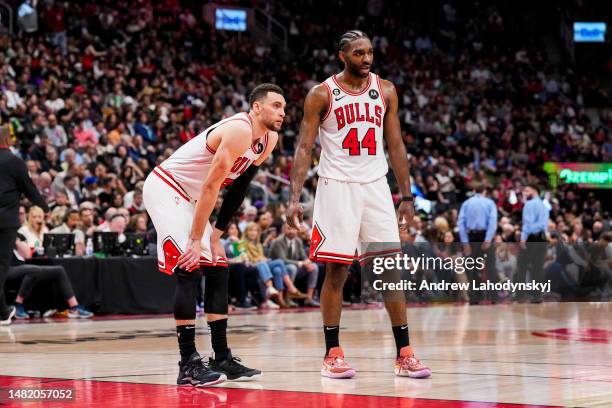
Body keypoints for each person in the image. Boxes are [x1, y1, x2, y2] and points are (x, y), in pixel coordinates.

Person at [288, 31, 431, 379]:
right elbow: (305, 147)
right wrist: (294, 197)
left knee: (388, 270)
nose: (366, 59)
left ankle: (405, 353)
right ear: (342, 55)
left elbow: (395, 145)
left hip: (376, 187)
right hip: (337, 187)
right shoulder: (321, 93)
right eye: (358, 53)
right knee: (337, 270)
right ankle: (332, 354)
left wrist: (407, 196)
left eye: (370, 52)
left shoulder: (386, 90)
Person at [142, 83, 285, 386]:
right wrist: (196, 239)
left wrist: (216, 234)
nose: (282, 112)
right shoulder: (238, 129)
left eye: (284, 107)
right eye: (276, 105)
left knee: (218, 270)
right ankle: (187, 364)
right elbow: (211, 186)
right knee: (189, 266)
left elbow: (239, 187)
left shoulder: (268, 139)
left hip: (192, 199)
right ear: (256, 107)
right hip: (167, 188)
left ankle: (221, 357)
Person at [0, 125, 49, 326]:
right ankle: (2, 312)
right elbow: (29, 190)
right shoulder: (14, 161)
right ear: (8, 140)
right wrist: (44, 207)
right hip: (5, 223)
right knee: (1, 266)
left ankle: (3, 313)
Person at [9, 233, 93, 319]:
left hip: (23, 266)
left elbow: (27, 255)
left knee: (59, 270)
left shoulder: (16, 235)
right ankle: (18, 305)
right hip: (7, 269)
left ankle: (74, 308)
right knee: (32, 270)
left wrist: (16, 240)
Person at [458, 183, 498, 304]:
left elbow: (461, 224)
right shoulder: (490, 203)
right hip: (486, 235)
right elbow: (493, 221)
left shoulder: (466, 203)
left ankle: (474, 298)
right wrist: (488, 239)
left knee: (471, 268)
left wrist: (465, 243)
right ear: (485, 191)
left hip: (472, 237)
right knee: (491, 267)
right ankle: (494, 297)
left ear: (474, 190)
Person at [269, 224, 320, 307]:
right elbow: (282, 260)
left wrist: (307, 262)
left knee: (314, 267)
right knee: (292, 268)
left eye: (294, 229)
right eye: (288, 229)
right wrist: (300, 263)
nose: (291, 231)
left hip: (295, 267)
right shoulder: (278, 241)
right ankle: (288, 298)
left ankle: (309, 298)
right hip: (280, 268)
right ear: (283, 230)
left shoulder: (298, 241)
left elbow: (303, 257)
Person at [516, 184, 550, 303]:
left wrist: (523, 238)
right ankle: (537, 296)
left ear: (534, 190)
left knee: (522, 266)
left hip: (531, 238)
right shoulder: (544, 205)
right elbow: (544, 224)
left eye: (526, 190)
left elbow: (527, 224)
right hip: (542, 237)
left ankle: (519, 295)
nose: (524, 193)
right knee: (538, 268)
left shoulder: (529, 204)